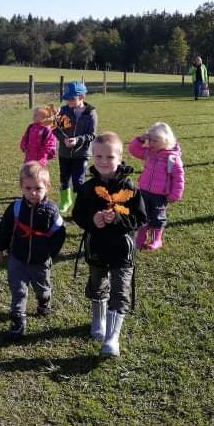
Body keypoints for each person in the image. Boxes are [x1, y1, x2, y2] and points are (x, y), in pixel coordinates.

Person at [72, 133, 147, 357]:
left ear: (120, 158)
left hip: (121, 250)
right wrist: (91, 221)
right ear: (92, 156)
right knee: (97, 284)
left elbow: (140, 218)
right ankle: (99, 319)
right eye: (98, 156)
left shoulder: (130, 188)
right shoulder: (87, 188)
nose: (103, 161)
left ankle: (112, 338)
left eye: (109, 157)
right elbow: (78, 215)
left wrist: (118, 219)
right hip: (96, 247)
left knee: (120, 290)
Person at [0, 162, 66, 340]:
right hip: (17, 258)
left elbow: (59, 233)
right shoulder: (16, 207)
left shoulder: (51, 211)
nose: (33, 193)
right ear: (21, 187)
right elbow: (5, 228)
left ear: (47, 187)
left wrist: (50, 253)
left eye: (38, 188)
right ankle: (18, 321)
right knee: (18, 290)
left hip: (40, 261)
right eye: (28, 188)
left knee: (42, 289)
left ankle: (44, 301)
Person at [127, 122, 185, 251]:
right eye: (150, 140)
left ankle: (156, 240)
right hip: (144, 191)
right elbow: (133, 150)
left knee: (157, 218)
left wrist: (175, 194)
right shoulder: (149, 153)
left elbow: (179, 178)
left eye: (155, 141)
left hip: (160, 195)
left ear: (166, 141)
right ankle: (140, 238)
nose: (151, 143)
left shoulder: (172, 158)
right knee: (142, 215)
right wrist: (140, 139)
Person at [55, 81, 97, 214]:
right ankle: (65, 200)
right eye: (67, 98)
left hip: (81, 153)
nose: (69, 101)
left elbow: (92, 135)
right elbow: (55, 128)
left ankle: (80, 204)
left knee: (78, 181)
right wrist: (64, 140)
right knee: (64, 178)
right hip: (64, 153)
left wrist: (78, 140)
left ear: (82, 97)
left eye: (72, 98)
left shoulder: (90, 113)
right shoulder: (64, 110)